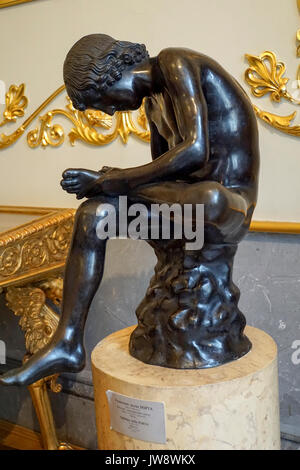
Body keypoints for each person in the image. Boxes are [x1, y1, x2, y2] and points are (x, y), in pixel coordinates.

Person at [0, 34, 259, 385]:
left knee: (207, 197)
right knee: (94, 214)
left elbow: (195, 151)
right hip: (187, 209)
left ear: (111, 72)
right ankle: (67, 341)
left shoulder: (174, 62)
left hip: (226, 207)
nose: (107, 111)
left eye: (101, 101)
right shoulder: (152, 106)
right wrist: (109, 186)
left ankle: (108, 183)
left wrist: (114, 180)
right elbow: (164, 177)